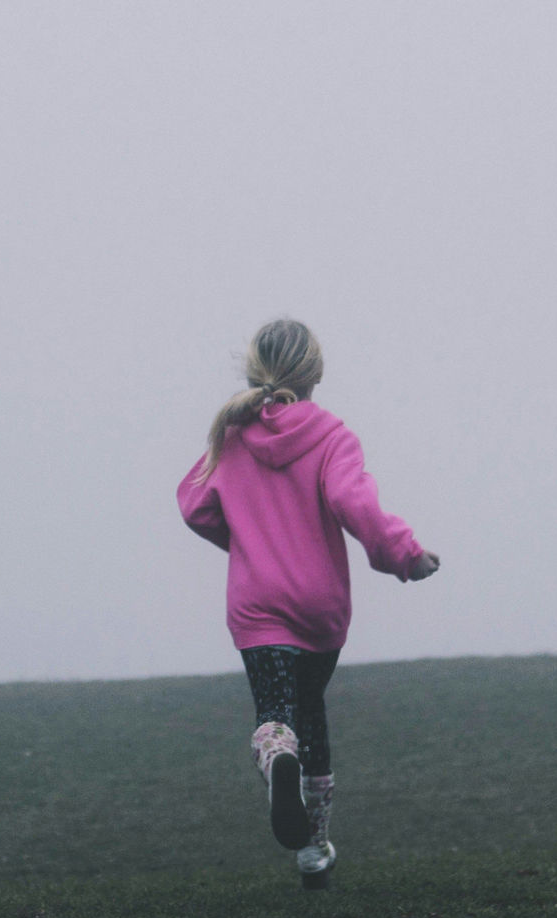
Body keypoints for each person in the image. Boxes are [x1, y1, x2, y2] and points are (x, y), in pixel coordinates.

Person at [176, 319, 438, 889]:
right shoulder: (332, 437)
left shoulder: (231, 435)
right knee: (311, 712)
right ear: (315, 374)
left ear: (254, 371)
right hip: (320, 607)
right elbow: (353, 502)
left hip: (257, 606)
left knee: (277, 713)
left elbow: (196, 505)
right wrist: (405, 554)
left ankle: (277, 762)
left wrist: (247, 540)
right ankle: (314, 850)